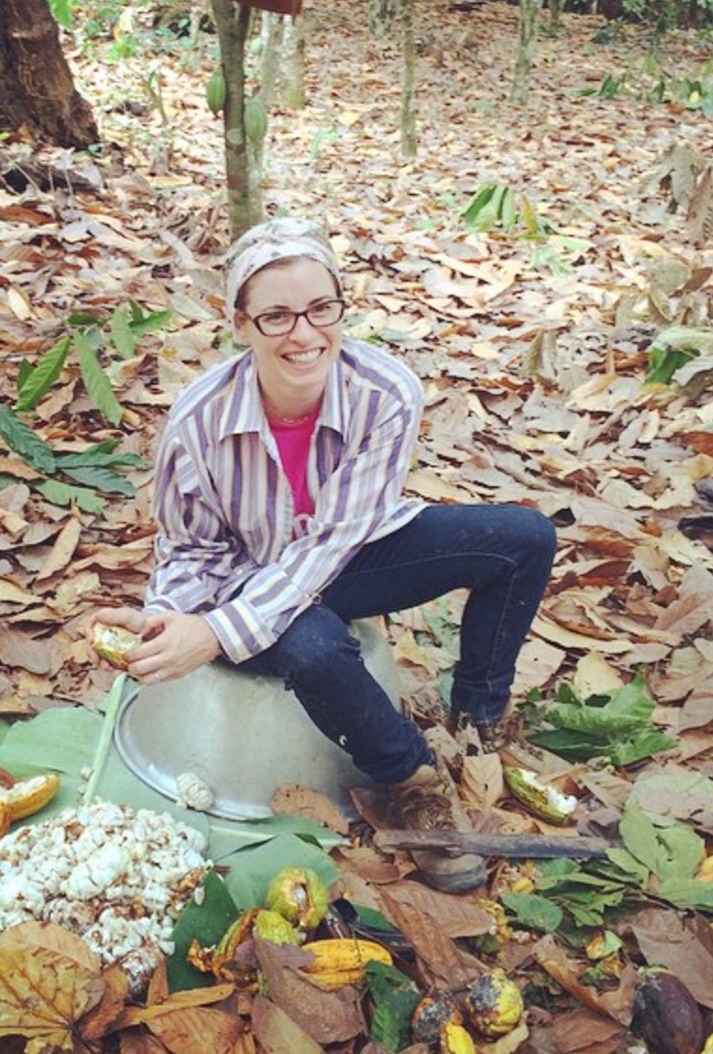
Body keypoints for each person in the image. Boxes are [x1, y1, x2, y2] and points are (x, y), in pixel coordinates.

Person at [93, 217, 557, 893]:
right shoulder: (198, 418)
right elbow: (188, 543)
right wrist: (174, 622)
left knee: (525, 539)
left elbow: (337, 539)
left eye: (321, 309)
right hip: (245, 573)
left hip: (348, 554)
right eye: (276, 316)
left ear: (342, 308)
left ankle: (479, 715)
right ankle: (411, 779)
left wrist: (217, 634)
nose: (304, 334)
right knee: (312, 647)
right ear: (240, 325)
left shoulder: (386, 391)